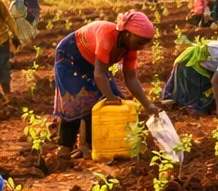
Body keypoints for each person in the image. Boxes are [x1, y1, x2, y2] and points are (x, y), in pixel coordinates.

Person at [52, 11, 160, 155]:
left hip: (94, 63)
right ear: (127, 33)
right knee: (78, 100)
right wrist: (109, 97)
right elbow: (99, 74)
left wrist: (147, 104)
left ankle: (92, 145)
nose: (141, 47)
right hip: (70, 57)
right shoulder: (107, 37)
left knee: (115, 99)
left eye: (144, 44)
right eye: (139, 42)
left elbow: (131, 78)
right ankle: (65, 146)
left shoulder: (130, 49)